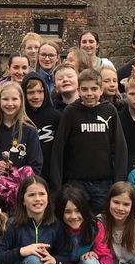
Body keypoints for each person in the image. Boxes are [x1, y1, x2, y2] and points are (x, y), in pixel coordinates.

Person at [48, 68, 128, 214]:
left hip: (104, 183)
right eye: (84, 89)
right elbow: (58, 150)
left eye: (93, 89)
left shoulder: (110, 111)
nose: (89, 93)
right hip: (75, 182)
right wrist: (57, 186)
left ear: (101, 90)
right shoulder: (70, 112)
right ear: (78, 90)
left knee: (101, 225)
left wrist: (119, 183)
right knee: (76, 221)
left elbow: (120, 149)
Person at [0, 81, 43, 213]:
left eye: (14, 99)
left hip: (20, 196)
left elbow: (36, 166)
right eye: (5, 99)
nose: (10, 103)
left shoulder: (29, 131)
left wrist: (15, 178)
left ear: (21, 101)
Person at [22, 72, 60, 178]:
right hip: (27, 177)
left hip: (51, 175)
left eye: (40, 92)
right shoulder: (21, 119)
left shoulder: (56, 117)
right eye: (30, 92)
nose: (36, 96)